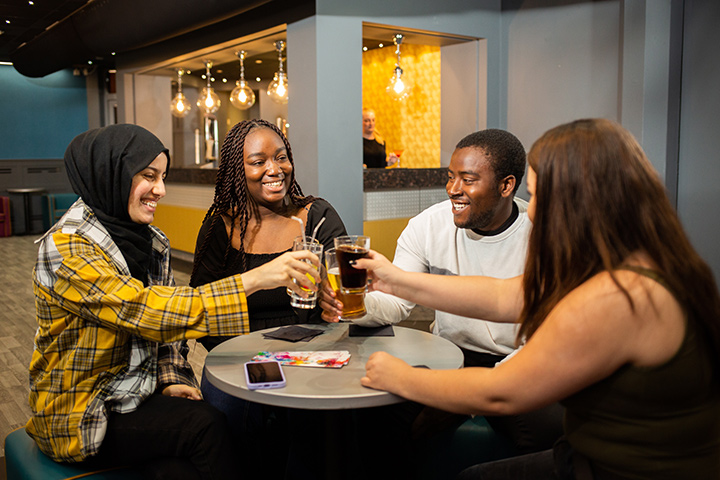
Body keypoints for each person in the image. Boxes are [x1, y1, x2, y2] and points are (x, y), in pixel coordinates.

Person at [358, 119, 720, 479]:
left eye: (539, 195)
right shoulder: (631, 263)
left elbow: (503, 394)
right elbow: (504, 296)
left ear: (579, 200)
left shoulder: (618, 296)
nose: (531, 210)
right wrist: (397, 280)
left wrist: (400, 377)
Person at [27, 124, 321, 479]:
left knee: (178, 468)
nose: (161, 190)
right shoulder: (67, 249)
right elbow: (147, 311)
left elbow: (169, 335)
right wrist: (254, 280)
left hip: (136, 392)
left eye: (163, 177)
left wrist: (170, 378)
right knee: (206, 426)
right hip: (84, 409)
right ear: (110, 175)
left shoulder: (151, 240)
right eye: (148, 176)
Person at [322, 129, 563, 469]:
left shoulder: (540, 232)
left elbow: (511, 306)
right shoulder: (427, 226)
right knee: (375, 420)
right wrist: (356, 305)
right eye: (451, 177)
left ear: (507, 186)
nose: (453, 190)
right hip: (450, 357)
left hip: (519, 362)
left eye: (468, 180)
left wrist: (467, 396)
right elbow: (396, 303)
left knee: (548, 432)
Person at [189, 119, 346, 477]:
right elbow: (199, 304)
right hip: (238, 351)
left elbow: (345, 291)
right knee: (228, 410)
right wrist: (245, 355)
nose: (274, 170)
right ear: (236, 170)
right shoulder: (220, 225)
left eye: (281, 158)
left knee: (313, 426)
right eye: (258, 162)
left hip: (310, 351)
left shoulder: (317, 217)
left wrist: (331, 299)